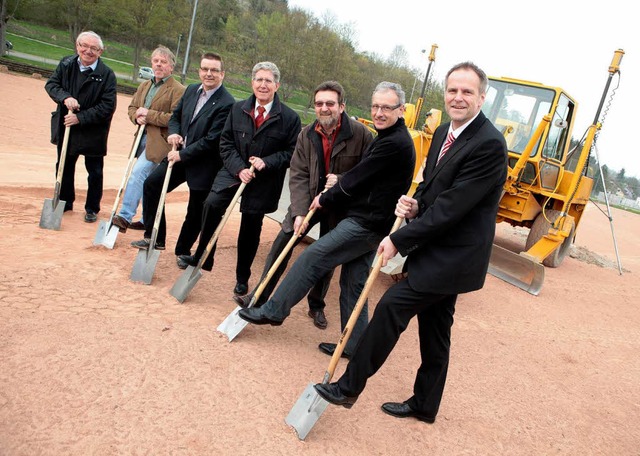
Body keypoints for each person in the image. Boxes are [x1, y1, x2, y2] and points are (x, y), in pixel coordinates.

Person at [312, 62, 508, 424]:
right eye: (452, 90)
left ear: (482, 97)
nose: (458, 97)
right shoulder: (443, 133)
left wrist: (399, 239)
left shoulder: (490, 145)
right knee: (436, 332)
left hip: (454, 257)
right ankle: (425, 404)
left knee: (391, 306)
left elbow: (452, 208)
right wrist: (417, 205)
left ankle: (348, 387)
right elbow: (438, 192)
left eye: (467, 91)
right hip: (437, 247)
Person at [238, 81, 415, 357]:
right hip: (369, 220)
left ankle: (274, 310)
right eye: (376, 106)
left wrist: (326, 196)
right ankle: (354, 344)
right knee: (353, 284)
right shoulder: (386, 136)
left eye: (386, 107)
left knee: (313, 256)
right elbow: (307, 172)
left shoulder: (391, 142)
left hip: (366, 223)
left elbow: (359, 177)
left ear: (401, 110)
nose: (379, 112)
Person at [232, 80, 373, 330]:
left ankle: (316, 305)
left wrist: (341, 182)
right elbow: (297, 174)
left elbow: (368, 173)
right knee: (282, 243)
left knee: (326, 256)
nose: (324, 108)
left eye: (330, 103)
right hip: (308, 201)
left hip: (340, 206)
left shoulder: (361, 135)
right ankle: (259, 296)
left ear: (342, 106)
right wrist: (298, 212)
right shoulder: (306, 134)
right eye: (319, 103)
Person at [177, 61, 301, 297]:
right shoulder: (237, 109)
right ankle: (203, 255)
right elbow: (225, 143)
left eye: (268, 81)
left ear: (277, 85)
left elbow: (291, 152)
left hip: (264, 180)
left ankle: (242, 277)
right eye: (258, 80)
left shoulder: (290, 118)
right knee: (211, 205)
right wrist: (238, 168)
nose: (263, 85)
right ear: (252, 83)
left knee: (251, 226)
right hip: (233, 171)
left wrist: (267, 162)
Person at [130, 52, 234, 253]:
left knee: (194, 210)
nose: (209, 74)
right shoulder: (192, 90)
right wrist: (175, 133)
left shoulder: (227, 102)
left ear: (222, 74)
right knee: (152, 185)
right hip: (180, 156)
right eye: (205, 69)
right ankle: (155, 237)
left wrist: (182, 154)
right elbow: (176, 116)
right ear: (200, 71)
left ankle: (182, 251)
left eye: (214, 70)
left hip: (204, 164)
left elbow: (213, 139)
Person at [45, 31, 117, 223]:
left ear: (100, 52)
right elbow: (52, 85)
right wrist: (65, 97)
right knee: (64, 166)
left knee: (94, 172)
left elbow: (107, 107)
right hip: (67, 127)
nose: (88, 51)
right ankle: (65, 202)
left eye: (94, 48)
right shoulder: (66, 63)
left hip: (93, 131)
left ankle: (92, 208)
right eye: (84, 46)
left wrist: (81, 118)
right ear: (77, 46)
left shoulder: (107, 74)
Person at [111, 46, 185, 233]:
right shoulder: (145, 85)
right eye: (155, 61)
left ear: (171, 66)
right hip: (141, 140)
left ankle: (125, 216)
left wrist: (149, 115)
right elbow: (132, 107)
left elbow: (175, 118)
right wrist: (136, 116)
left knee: (138, 173)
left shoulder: (178, 90)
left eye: (163, 62)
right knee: (149, 181)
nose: (158, 64)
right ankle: (146, 219)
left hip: (160, 143)